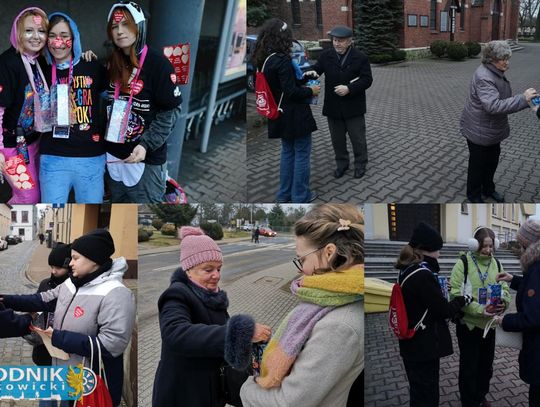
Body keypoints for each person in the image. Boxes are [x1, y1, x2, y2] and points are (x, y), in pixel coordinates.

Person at [240, 203, 364, 407]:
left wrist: (246, 388)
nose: (301, 270)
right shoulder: (331, 299)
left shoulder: (340, 326)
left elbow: (288, 402)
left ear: (329, 253)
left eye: (301, 260)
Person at [1, 229, 136, 407]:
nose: (70, 263)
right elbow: (43, 299)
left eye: (76, 258)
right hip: (64, 372)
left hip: (90, 381)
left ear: (94, 259)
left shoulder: (116, 293)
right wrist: (7, 300)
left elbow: (113, 344)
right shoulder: (72, 282)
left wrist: (59, 337)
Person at [152, 226, 272, 407]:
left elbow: (219, 332)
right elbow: (175, 333)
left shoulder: (211, 295)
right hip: (184, 393)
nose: (216, 275)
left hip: (210, 390)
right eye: (208, 270)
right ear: (188, 270)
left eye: (219, 268)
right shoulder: (176, 295)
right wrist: (241, 332)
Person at [105, 2, 182, 203]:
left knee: (144, 210)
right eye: (115, 26)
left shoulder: (159, 65)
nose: (120, 32)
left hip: (146, 158)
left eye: (126, 25)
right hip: (114, 156)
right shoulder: (111, 62)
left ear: (139, 27)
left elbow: (171, 111)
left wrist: (146, 144)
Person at [395, 222, 470, 406]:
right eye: (437, 250)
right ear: (426, 250)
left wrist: (439, 290)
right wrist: (463, 299)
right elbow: (444, 310)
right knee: (427, 396)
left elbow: (422, 301)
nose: (440, 254)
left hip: (411, 343)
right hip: (423, 346)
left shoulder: (407, 268)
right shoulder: (423, 275)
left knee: (417, 392)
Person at [39, 12, 108, 203]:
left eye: (64, 36)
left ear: (74, 38)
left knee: (91, 211)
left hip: (90, 157)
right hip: (52, 157)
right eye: (52, 35)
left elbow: (114, 97)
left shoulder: (91, 65)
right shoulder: (40, 68)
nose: (58, 42)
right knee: (51, 214)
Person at [460, 40, 537, 203]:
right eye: (504, 59)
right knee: (477, 166)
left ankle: (488, 189)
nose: (507, 63)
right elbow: (493, 106)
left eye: (507, 58)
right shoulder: (484, 77)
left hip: (491, 129)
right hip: (479, 130)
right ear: (492, 60)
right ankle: (473, 195)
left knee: (491, 162)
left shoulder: (494, 71)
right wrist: (523, 99)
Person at [252, 18, 319, 203]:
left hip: (278, 114)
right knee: (302, 154)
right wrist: (310, 89)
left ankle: (283, 194)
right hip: (295, 116)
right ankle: (300, 196)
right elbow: (291, 92)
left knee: (288, 152)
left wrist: (304, 78)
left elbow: (281, 86)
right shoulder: (282, 60)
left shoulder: (264, 58)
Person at [450, 226, 511, 407]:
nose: (488, 250)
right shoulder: (463, 263)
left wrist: (503, 303)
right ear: (474, 245)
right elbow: (455, 294)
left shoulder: (497, 264)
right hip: (468, 325)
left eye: (491, 246)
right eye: (484, 246)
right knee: (469, 367)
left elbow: (505, 290)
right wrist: (479, 310)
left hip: (489, 326)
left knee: (486, 367)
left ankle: (480, 395)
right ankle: (469, 401)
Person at [304, 26, 372, 179]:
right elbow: (317, 69)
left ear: (349, 41)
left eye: (341, 41)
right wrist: (313, 72)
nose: (336, 44)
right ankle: (342, 164)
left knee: (358, 139)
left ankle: (360, 164)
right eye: (335, 40)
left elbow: (367, 79)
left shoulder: (360, 57)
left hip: (354, 106)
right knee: (337, 140)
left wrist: (349, 88)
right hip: (333, 106)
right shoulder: (326, 55)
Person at [0, 7, 50, 204]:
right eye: (29, 30)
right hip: (11, 146)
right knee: (28, 196)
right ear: (17, 32)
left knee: (37, 195)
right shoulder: (7, 62)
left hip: (35, 141)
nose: (36, 37)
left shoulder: (40, 61)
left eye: (41, 31)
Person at [495, 219, 540, 407]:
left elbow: (533, 317)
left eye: (521, 244)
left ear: (529, 243)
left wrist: (504, 320)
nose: (519, 248)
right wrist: (513, 280)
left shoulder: (537, 269)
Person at [31, 243, 71, 368]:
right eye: (52, 266)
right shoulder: (45, 284)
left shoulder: (74, 288)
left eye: (58, 268)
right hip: (44, 345)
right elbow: (36, 305)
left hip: (64, 344)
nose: (53, 271)